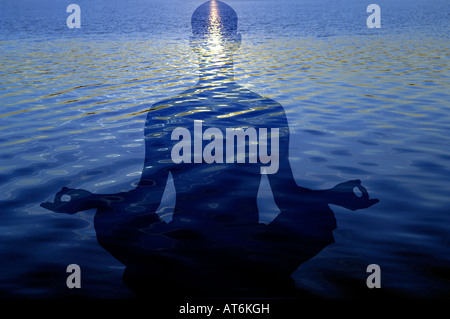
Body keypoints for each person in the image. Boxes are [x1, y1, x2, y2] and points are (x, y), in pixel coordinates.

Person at [41, 0, 378, 298]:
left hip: (180, 245)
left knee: (114, 220)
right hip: (249, 247)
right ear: (237, 43)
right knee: (317, 216)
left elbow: (147, 199)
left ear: (192, 44)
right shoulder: (266, 111)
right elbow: (286, 198)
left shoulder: (165, 112)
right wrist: (332, 196)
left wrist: (95, 200)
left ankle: (169, 275)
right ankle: (254, 276)